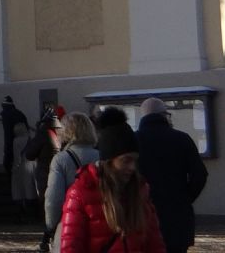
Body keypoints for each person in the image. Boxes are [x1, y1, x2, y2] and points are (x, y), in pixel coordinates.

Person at [58, 114, 166, 253]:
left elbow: (155, 243)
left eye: (135, 160)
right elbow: (70, 247)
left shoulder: (140, 191)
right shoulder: (80, 193)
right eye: (126, 160)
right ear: (109, 161)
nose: (133, 167)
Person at [135, 97, 208, 253]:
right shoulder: (182, 139)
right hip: (177, 217)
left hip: (143, 215)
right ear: (164, 115)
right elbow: (200, 175)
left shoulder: (134, 141)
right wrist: (186, 198)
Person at [43, 110, 100, 253]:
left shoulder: (61, 160)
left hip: (69, 225)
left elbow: (53, 199)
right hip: (101, 224)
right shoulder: (103, 157)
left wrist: (50, 226)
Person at [0, 95, 30, 176]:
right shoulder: (20, 114)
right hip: (26, 147)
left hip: (13, 146)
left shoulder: (6, 115)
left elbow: (8, 136)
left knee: (12, 170)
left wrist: (7, 155)